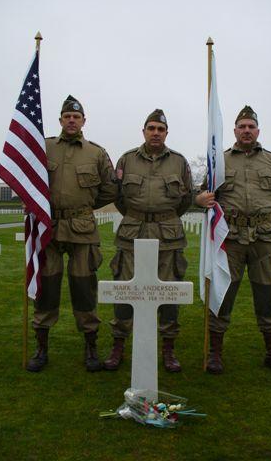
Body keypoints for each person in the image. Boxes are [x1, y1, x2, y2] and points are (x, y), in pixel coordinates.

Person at [195, 105, 271, 375]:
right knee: (223, 294)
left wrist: (266, 221)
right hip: (232, 240)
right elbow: (205, 193)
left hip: (264, 241)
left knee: (267, 297)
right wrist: (200, 198)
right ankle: (215, 353)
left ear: (258, 131)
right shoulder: (221, 161)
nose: (247, 131)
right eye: (242, 127)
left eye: (251, 126)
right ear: (235, 131)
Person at [27, 95, 117, 373]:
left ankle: (90, 347)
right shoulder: (44, 148)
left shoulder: (96, 153)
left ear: (83, 121)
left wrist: (85, 206)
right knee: (47, 286)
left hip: (82, 228)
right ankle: (42, 347)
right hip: (49, 228)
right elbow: (28, 176)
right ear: (61, 120)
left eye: (76, 117)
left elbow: (111, 188)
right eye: (67, 116)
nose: (71, 120)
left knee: (84, 288)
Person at [104, 109, 193, 372]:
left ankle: (168, 349)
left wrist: (163, 217)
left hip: (169, 235)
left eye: (160, 129)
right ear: (143, 131)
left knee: (168, 291)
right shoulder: (127, 160)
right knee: (125, 289)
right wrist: (138, 216)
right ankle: (118, 345)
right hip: (132, 233)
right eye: (151, 128)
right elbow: (118, 196)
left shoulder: (179, 162)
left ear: (166, 133)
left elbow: (186, 198)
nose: (156, 133)